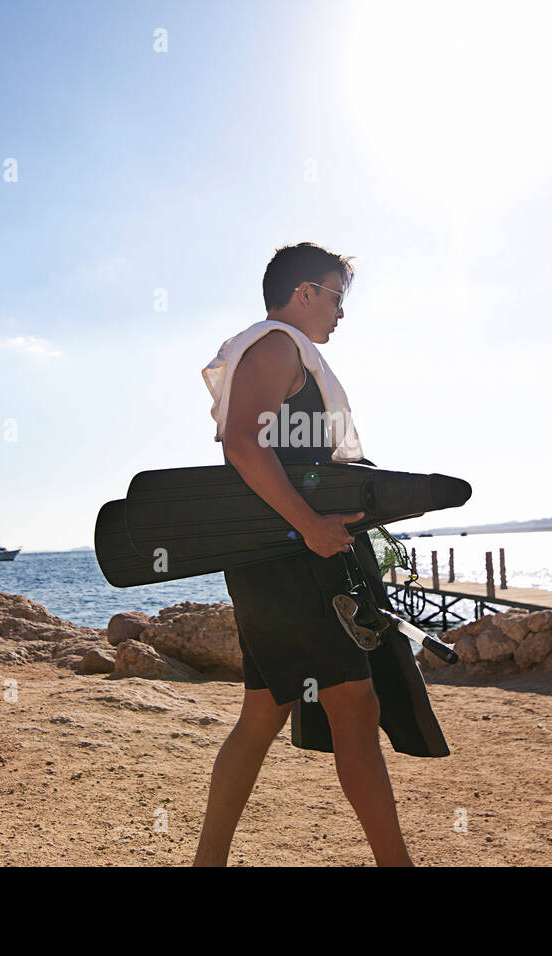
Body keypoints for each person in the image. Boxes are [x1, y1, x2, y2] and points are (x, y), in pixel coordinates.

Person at [192, 242, 414, 867]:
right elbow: (242, 445)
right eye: (337, 296)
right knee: (354, 703)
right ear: (304, 293)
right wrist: (312, 526)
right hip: (290, 558)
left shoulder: (281, 350)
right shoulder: (277, 344)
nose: (343, 312)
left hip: (273, 556)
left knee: (264, 713)